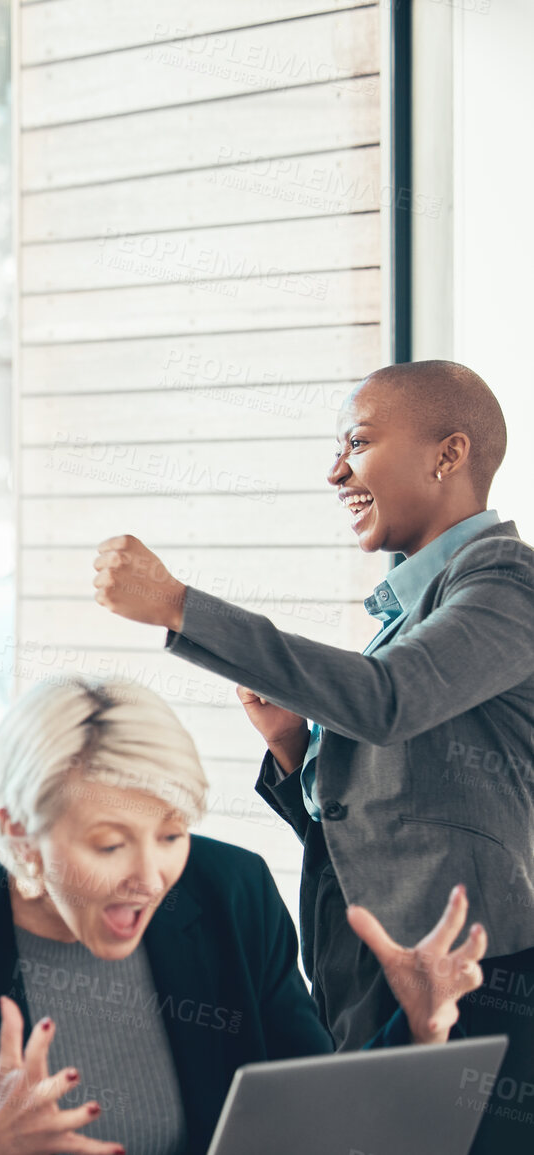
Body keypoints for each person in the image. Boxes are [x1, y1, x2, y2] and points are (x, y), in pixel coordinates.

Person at [93, 360, 534, 1153]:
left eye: (356, 443)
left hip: (477, 986)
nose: (335, 472)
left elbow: (386, 699)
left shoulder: (507, 585)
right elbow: (395, 816)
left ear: (447, 454)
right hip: (382, 986)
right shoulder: (418, 607)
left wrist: (179, 607)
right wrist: (296, 754)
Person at [0, 676, 486, 1155]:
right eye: (108, 844)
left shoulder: (231, 891)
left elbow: (308, 1115)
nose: (151, 878)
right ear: (19, 835)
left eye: (172, 833)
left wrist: (420, 1029)